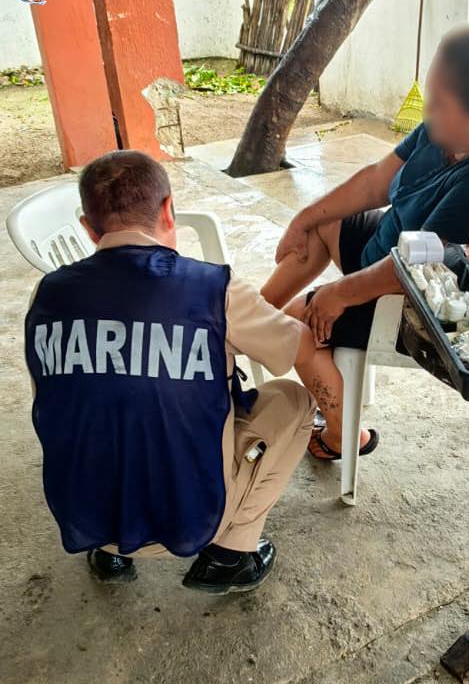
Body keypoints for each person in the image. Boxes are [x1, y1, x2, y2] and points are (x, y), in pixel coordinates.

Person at [261, 26, 469, 460]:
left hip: (419, 298)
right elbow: (376, 180)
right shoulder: (450, 130)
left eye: (438, 102)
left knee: (299, 327)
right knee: (320, 224)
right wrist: (304, 217)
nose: (428, 109)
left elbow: (415, 269)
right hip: (394, 249)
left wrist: (337, 294)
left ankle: (343, 435)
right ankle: (248, 319)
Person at [25, 150, 316, 594]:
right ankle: (231, 556)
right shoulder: (213, 289)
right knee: (293, 401)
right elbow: (298, 346)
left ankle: (110, 552)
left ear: (88, 228)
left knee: (98, 400)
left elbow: (56, 406)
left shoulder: (47, 295)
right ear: (167, 210)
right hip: (189, 517)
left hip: (84, 515)